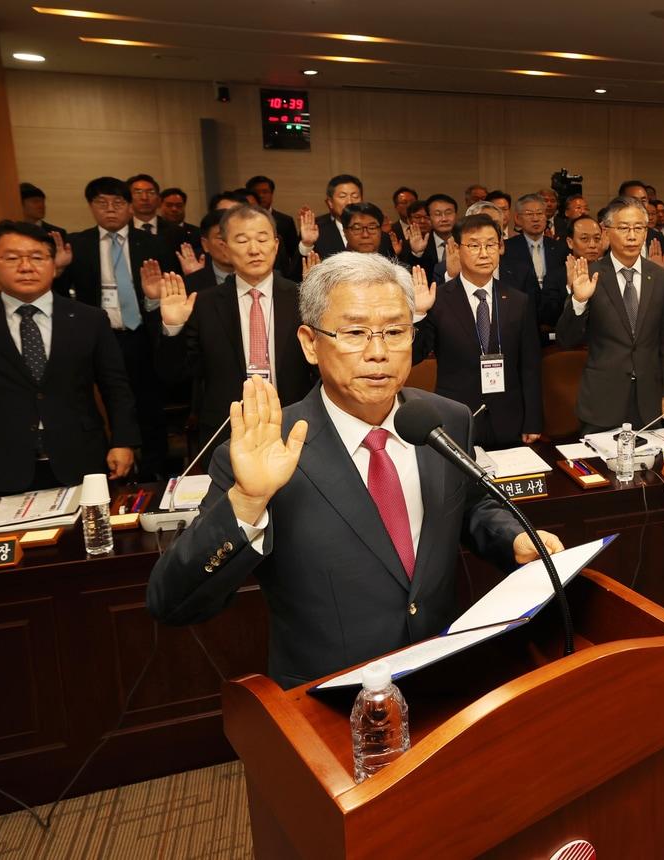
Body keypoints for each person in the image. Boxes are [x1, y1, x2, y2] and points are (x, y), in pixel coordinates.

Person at [146, 252, 563, 689]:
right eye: (354, 333)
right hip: (330, 695)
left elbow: (471, 505)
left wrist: (512, 538)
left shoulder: (445, 419)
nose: (378, 353)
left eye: (395, 332)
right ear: (310, 343)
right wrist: (247, 501)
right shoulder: (266, 448)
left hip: (443, 676)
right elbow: (172, 603)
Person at [0, 221, 138, 495]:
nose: (26, 267)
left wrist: (123, 441)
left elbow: (115, 386)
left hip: (80, 458)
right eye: (12, 258)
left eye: (37, 257)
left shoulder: (89, 319)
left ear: (53, 265)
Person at [155, 205, 317, 451]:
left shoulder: (301, 298)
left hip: (295, 426)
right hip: (226, 432)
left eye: (262, 239)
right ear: (225, 248)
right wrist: (173, 327)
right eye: (242, 241)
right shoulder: (204, 303)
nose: (254, 249)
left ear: (275, 245)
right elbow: (174, 376)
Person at [57, 175, 177, 478]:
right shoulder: (77, 245)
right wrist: (58, 271)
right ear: (91, 206)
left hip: (140, 336)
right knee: (103, 403)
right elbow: (59, 301)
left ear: (129, 207)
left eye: (117, 202)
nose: (110, 209)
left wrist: (154, 301)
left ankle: (153, 471)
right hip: (97, 337)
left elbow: (169, 292)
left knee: (148, 403)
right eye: (102, 203)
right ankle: (110, 469)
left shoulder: (153, 243)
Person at [412, 213, 542, 448]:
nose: (484, 253)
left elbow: (530, 366)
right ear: (455, 248)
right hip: (456, 416)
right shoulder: (438, 300)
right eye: (474, 245)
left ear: (500, 247)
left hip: (508, 417)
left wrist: (532, 420)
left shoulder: (517, 300)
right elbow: (414, 355)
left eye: (490, 245)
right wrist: (419, 314)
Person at [556, 197, 664, 433]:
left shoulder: (662, 278)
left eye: (638, 228)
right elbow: (566, 339)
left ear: (646, 232)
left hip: (648, 399)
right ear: (606, 232)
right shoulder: (590, 275)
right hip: (602, 398)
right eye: (623, 228)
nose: (632, 236)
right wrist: (579, 300)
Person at [539, 214, 605, 344]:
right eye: (584, 239)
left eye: (597, 239)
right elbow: (549, 318)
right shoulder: (556, 276)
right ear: (570, 242)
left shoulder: (610, 273)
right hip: (569, 345)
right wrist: (570, 289)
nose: (592, 245)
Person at [297, 174, 393, 259]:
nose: (349, 202)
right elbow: (296, 272)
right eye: (343, 196)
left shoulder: (381, 237)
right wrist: (307, 244)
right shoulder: (317, 233)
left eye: (355, 196)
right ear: (330, 203)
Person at [503, 193, 568, 294]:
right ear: (518, 218)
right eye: (529, 214)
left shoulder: (560, 248)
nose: (535, 219)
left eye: (540, 213)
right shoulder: (507, 248)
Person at [178, 210, 236, 293]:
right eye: (221, 238)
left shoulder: (254, 277)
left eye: (236, 237)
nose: (229, 243)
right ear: (205, 244)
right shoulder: (188, 284)